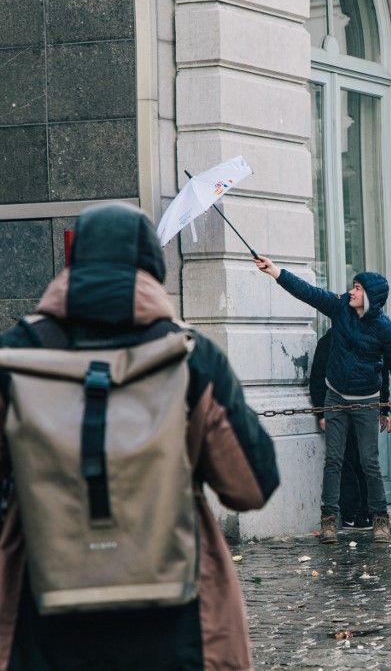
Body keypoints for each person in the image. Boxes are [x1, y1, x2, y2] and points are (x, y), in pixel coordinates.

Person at [0, 202, 279, 669]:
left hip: (42, 618)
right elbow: (251, 485)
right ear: (154, 268)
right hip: (177, 622)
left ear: (75, 263)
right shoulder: (193, 358)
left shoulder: (13, 355)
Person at [254, 256, 391, 545]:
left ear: (371, 296)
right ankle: (328, 520)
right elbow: (309, 292)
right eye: (353, 286)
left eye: (358, 288)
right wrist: (276, 272)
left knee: (369, 462)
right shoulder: (341, 309)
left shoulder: (386, 328)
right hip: (335, 394)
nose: (352, 292)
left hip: (367, 399)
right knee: (334, 460)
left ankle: (380, 520)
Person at [310, 328, 369, 530]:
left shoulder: (364, 337)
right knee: (342, 462)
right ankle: (350, 512)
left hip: (362, 409)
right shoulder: (329, 341)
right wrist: (321, 413)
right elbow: (317, 380)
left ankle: (364, 512)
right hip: (337, 412)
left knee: (364, 460)